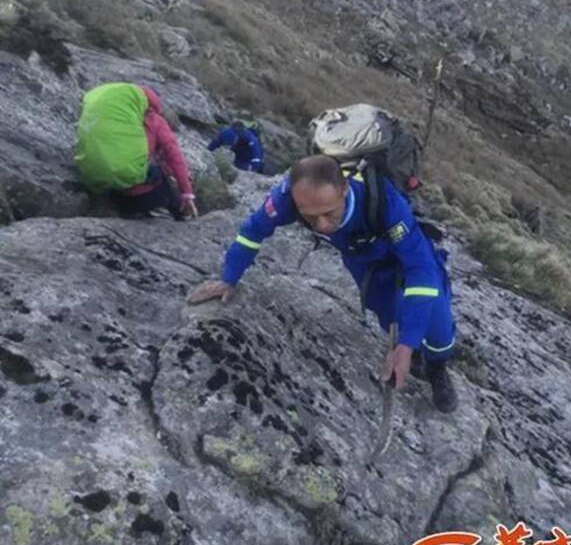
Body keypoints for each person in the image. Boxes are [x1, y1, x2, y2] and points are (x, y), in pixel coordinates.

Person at [187, 155, 457, 412]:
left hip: (408, 254)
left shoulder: (384, 201)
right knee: (390, 315)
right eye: (310, 217)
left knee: (438, 321)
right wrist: (228, 278)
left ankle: (437, 367)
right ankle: (417, 355)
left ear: (344, 190)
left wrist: (406, 343)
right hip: (366, 265)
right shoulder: (288, 198)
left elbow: (420, 270)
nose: (322, 225)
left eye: (329, 213)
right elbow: (252, 232)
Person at [75, 82, 198, 220]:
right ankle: (182, 215)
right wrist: (187, 194)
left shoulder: (120, 119)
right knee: (164, 175)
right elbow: (175, 157)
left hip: (112, 195)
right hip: (143, 199)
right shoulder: (155, 120)